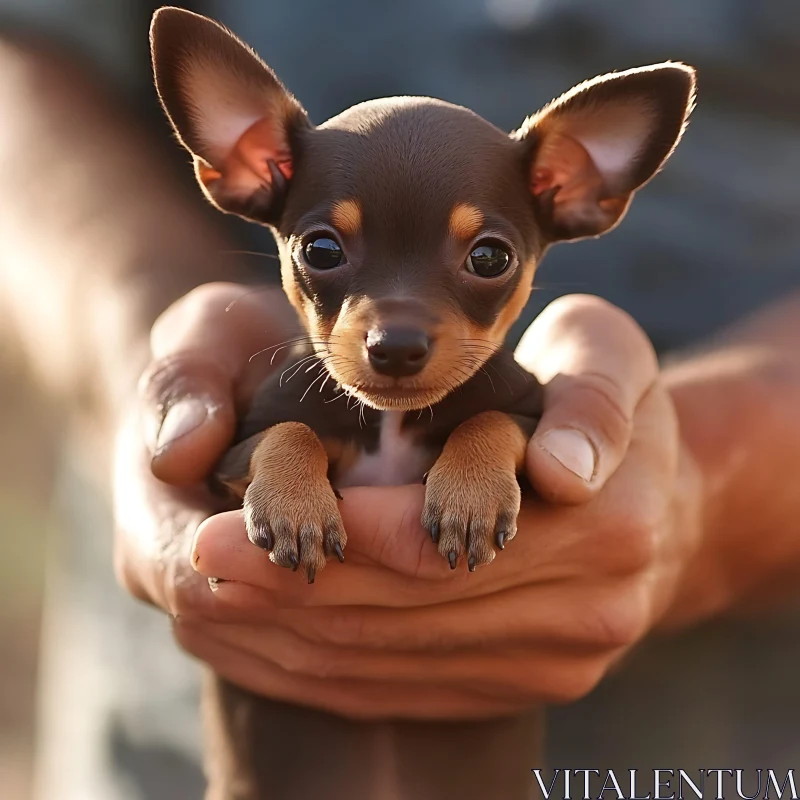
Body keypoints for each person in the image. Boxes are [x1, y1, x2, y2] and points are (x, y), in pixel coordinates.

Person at [1, 1, 799, 798]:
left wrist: (699, 481)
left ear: (576, 190)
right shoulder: (295, 398)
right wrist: (155, 365)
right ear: (246, 165)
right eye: (326, 250)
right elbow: (23, 57)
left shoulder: (506, 406)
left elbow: (526, 437)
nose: (395, 333)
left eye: (484, 257)